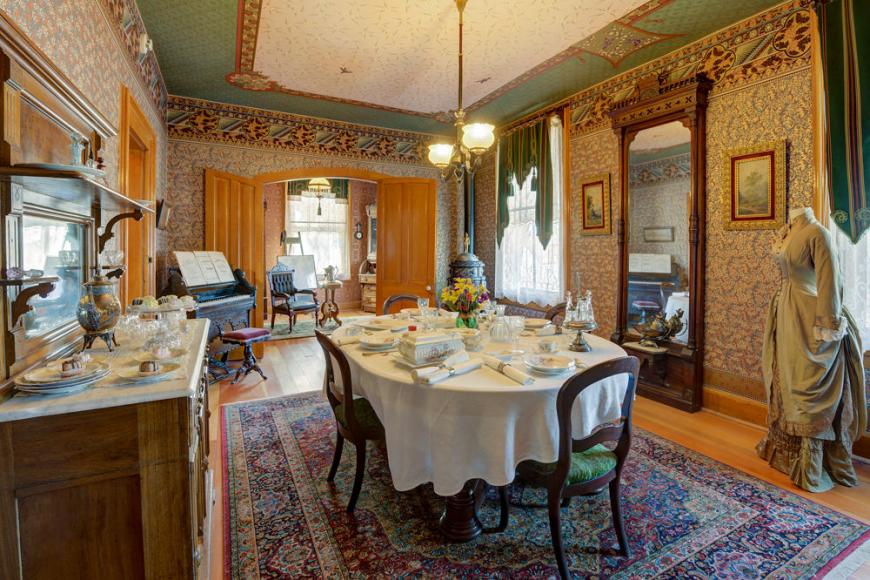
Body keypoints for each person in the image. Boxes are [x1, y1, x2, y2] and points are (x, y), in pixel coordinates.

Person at [756, 207, 866, 492]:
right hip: (786, 313)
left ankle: (812, 462)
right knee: (788, 380)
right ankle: (785, 453)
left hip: (809, 318)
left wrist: (827, 324)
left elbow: (831, 281)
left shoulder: (818, 233)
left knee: (807, 382)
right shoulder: (790, 231)